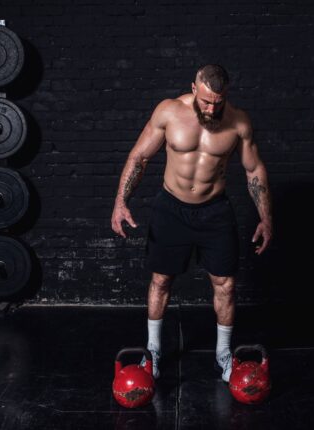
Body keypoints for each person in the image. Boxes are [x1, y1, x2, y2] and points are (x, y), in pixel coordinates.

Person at [111, 64, 273, 382]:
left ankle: (224, 355)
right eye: (206, 101)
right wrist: (120, 202)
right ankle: (153, 351)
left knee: (225, 285)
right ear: (194, 88)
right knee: (160, 282)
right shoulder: (169, 112)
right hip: (171, 209)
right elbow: (139, 157)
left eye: (219, 101)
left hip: (215, 212)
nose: (212, 108)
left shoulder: (238, 122)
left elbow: (254, 170)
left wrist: (267, 218)